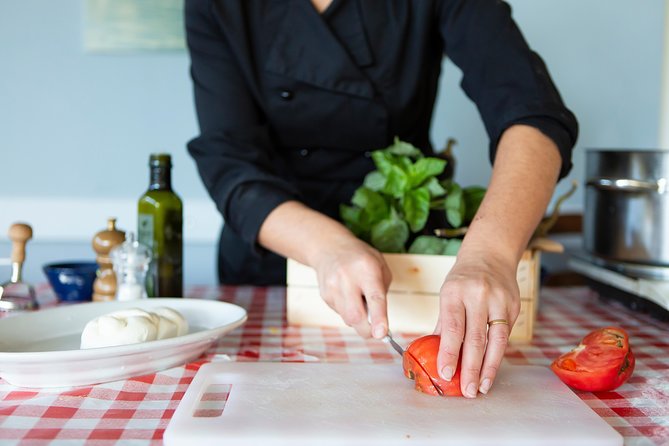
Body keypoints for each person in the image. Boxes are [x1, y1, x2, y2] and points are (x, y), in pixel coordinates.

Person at [185, 0, 578, 398]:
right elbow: (228, 160)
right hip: (278, 254)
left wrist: (490, 255)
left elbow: (532, 112)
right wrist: (326, 247)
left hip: (409, 258)